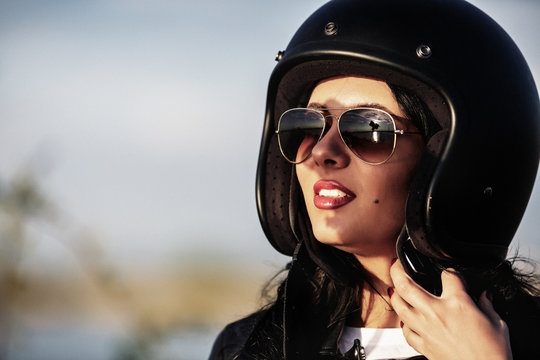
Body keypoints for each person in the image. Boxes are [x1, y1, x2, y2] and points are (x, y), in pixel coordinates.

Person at [210, 0, 540, 359]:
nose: (322, 151)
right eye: (307, 125)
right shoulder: (245, 346)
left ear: (459, 159)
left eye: (369, 128)